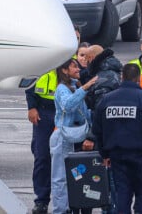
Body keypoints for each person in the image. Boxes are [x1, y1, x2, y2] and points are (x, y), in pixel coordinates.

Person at [93, 63, 142, 214]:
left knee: (122, 196)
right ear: (138, 79)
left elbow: (97, 130)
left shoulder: (106, 101)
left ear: (122, 77)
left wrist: (104, 154)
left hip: (116, 157)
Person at [50, 58, 98, 214]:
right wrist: (85, 87)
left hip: (74, 137)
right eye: (74, 66)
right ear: (64, 70)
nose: (78, 69)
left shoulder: (74, 86)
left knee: (75, 176)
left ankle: (71, 206)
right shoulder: (62, 89)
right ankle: (60, 210)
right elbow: (68, 106)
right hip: (63, 137)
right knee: (60, 178)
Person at [26, 68, 57, 214]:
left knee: (67, 160)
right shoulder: (43, 61)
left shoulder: (72, 61)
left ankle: (70, 201)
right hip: (43, 112)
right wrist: (31, 107)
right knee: (42, 157)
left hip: (65, 112)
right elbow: (29, 82)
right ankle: (41, 200)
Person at [82, 45, 122, 111]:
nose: (86, 63)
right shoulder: (116, 70)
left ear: (91, 58)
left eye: (87, 59)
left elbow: (100, 109)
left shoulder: (102, 79)